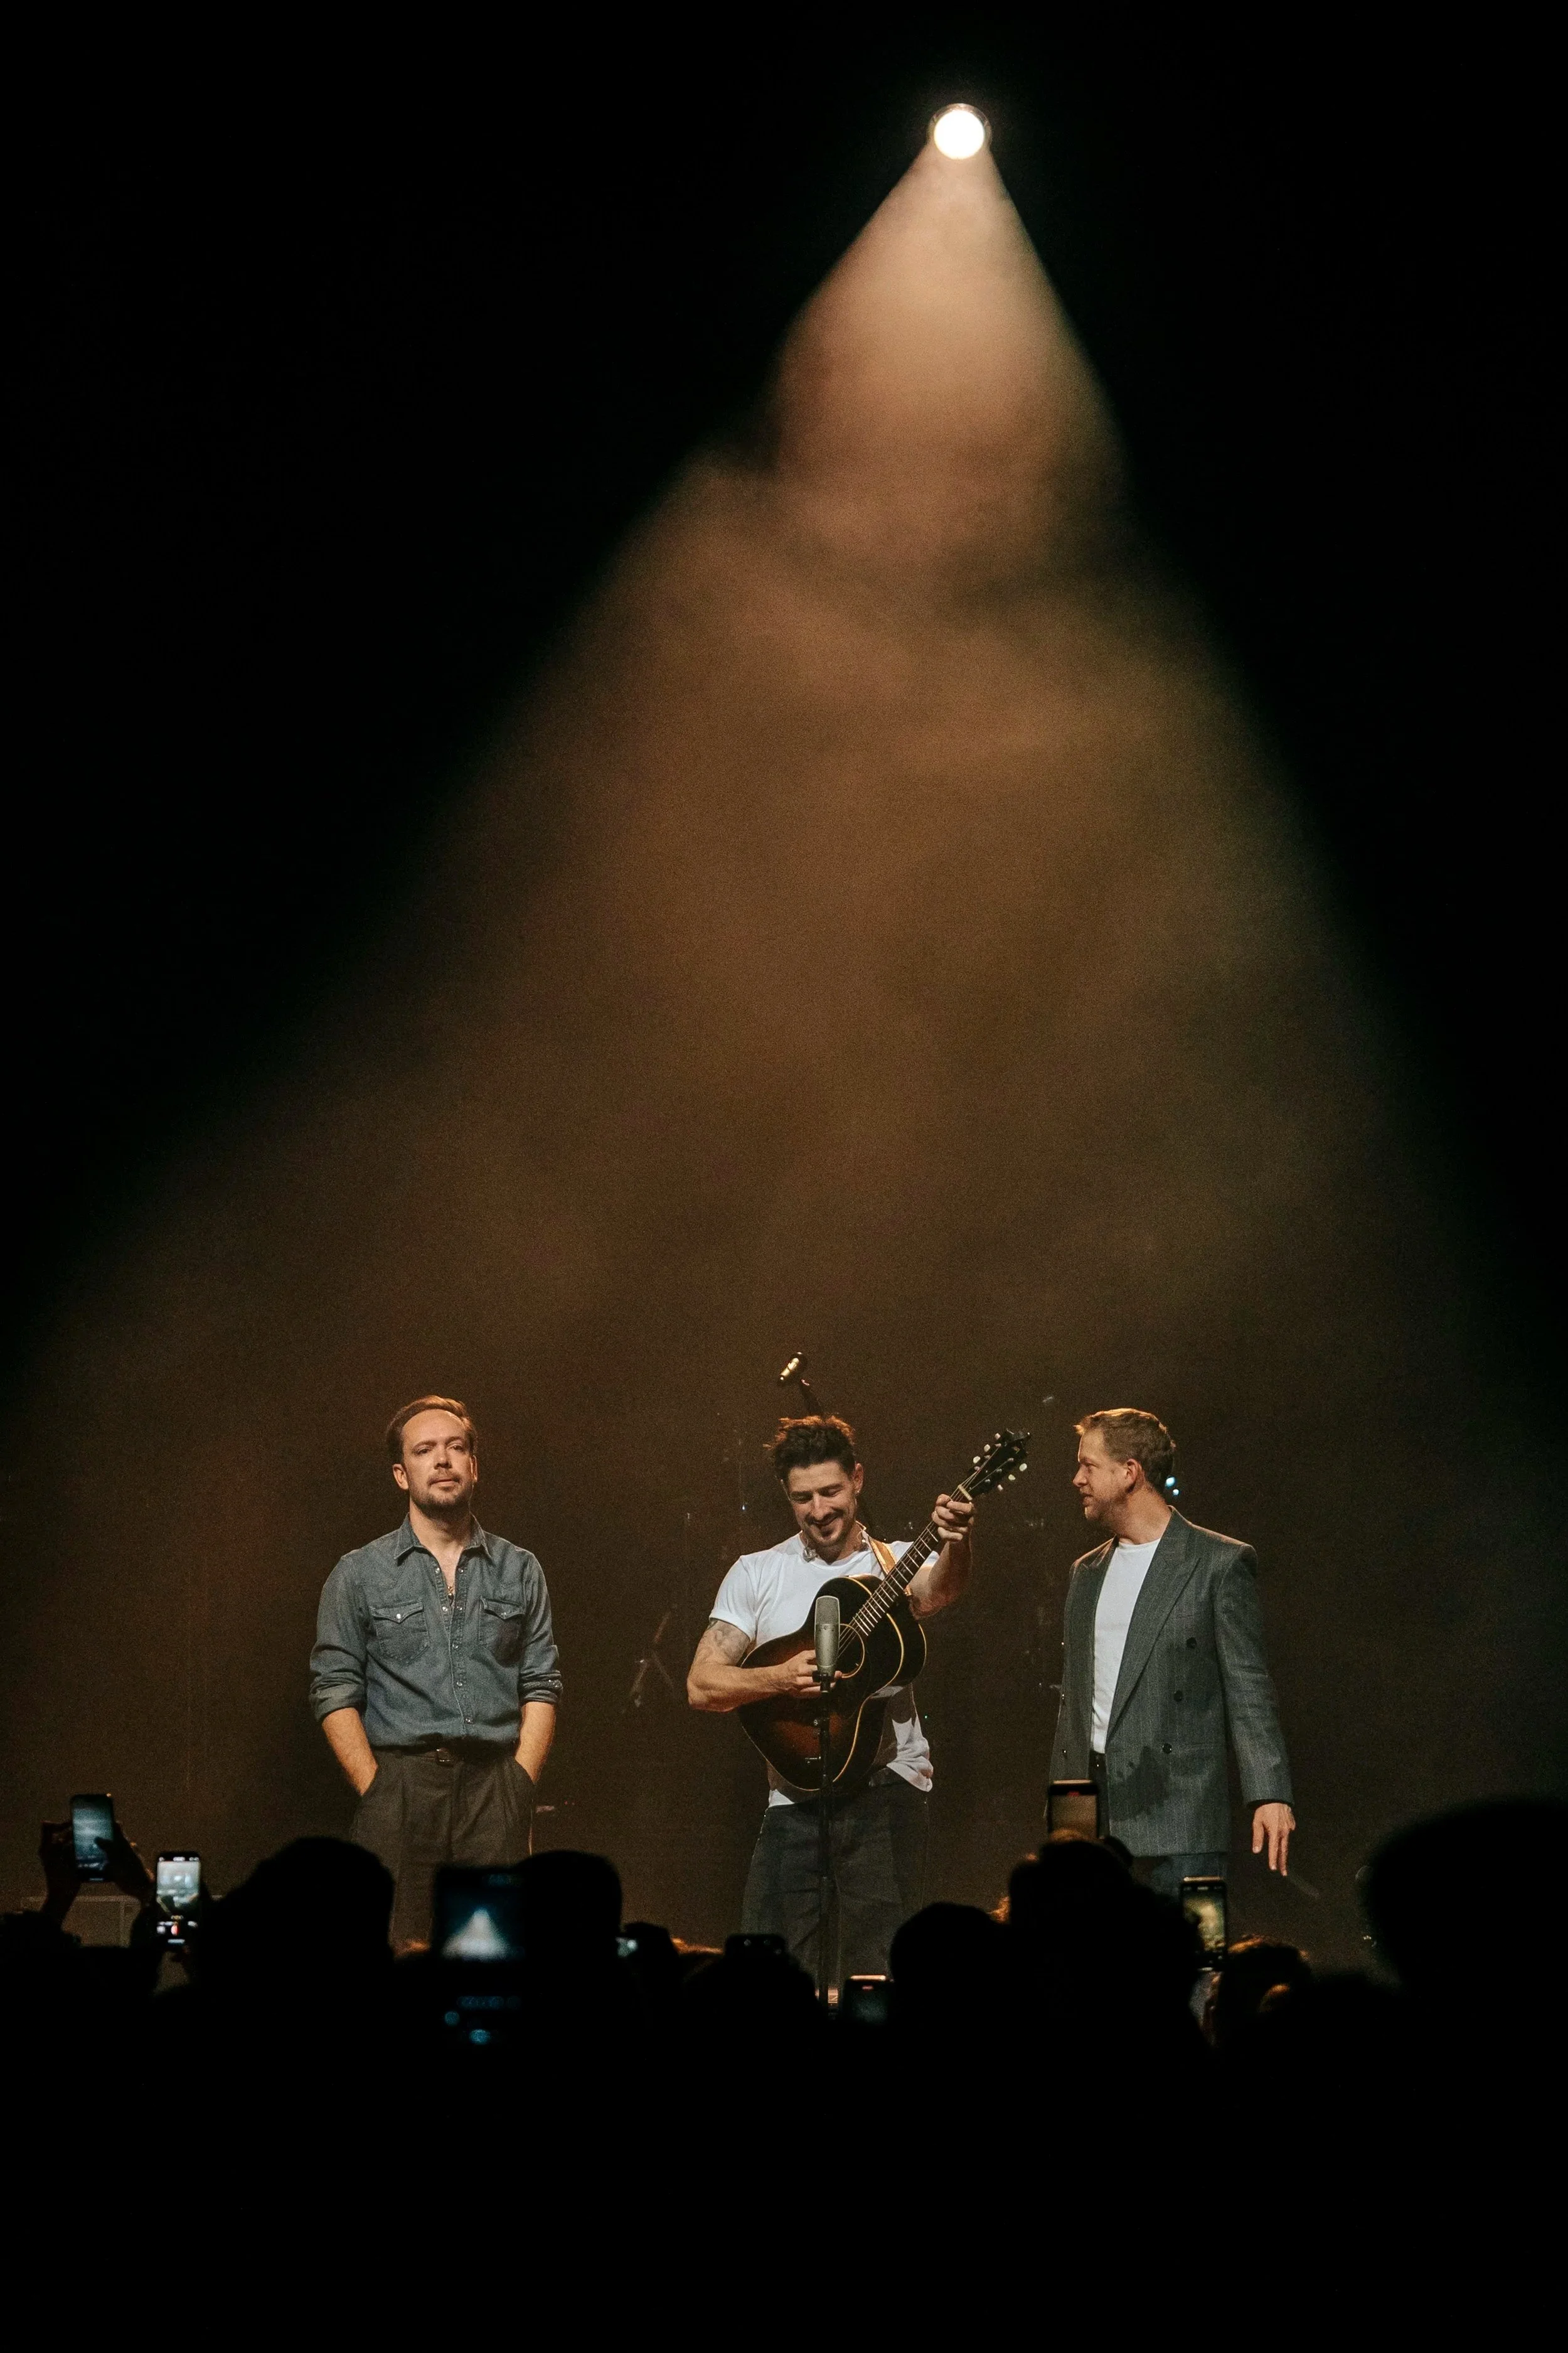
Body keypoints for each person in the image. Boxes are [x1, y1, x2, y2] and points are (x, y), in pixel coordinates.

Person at [687, 1413, 973, 1981]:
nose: (819, 1510)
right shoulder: (756, 1572)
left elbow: (939, 1590)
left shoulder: (893, 1561)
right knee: (769, 1972)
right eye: (803, 1497)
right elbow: (701, 1684)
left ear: (857, 1479)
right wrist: (779, 1678)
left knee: (884, 1972)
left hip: (886, 1792)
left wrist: (957, 1542)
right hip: (793, 1798)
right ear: (786, 1495)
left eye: (830, 1491)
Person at [309, 1395, 562, 1949]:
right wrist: (376, 1788)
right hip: (400, 1787)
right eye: (424, 1450)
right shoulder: (359, 1572)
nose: (442, 1460)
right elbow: (333, 1688)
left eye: (455, 1447)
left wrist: (518, 1785)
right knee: (392, 1957)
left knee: (491, 1960)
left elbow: (541, 1682)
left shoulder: (520, 1568)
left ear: (474, 1464)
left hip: (493, 1786)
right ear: (402, 1474)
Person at [1051, 1408, 1294, 1897]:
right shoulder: (1086, 1572)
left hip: (1180, 1816)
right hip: (1088, 1816)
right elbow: (1074, 1700)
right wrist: (1061, 1805)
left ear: (1129, 1472)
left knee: (1185, 1948)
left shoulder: (1217, 1563)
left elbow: (1247, 1686)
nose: (1076, 1478)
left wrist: (1268, 1792)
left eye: (1088, 1465)